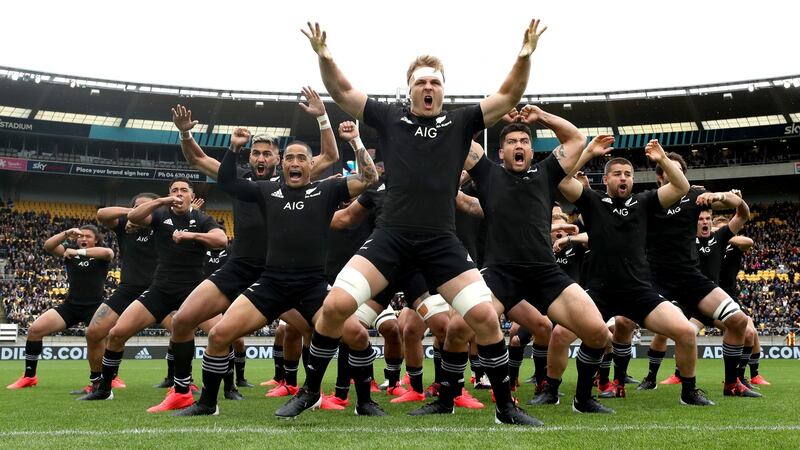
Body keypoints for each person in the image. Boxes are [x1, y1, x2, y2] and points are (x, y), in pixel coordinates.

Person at [277, 19, 547, 426]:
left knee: (486, 319)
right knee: (332, 309)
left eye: (435, 83)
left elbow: (510, 93)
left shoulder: (461, 123)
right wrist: (326, 56)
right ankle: (312, 392)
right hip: (391, 238)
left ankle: (506, 408)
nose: (429, 88)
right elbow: (342, 92)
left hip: (441, 241)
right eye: (422, 82)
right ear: (410, 88)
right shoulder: (390, 118)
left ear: (443, 89)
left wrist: (523, 56)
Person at [148, 87, 340, 412]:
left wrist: (323, 117)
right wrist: (184, 132)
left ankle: (310, 391)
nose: (261, 158)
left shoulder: (297, 176)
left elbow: (331, 157)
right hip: (239, 265)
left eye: (268, 154)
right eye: (256, 153)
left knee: (313, 329)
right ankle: (182, 390)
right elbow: (195, 157)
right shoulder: (237, 179)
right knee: (183, 320)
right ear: (249, 156)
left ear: (280, 159)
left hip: (277, 270)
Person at [175, 120, 379, 417]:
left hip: (312, 287)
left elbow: (369, 177)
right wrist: (233, 148)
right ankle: (207, 403)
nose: (295, 163)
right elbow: (228, 182)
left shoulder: (328, 189)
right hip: (270, 283)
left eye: (301, 158)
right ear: (282, 165)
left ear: (312, 164)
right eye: (289, 159)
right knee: (219, 336)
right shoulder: (265, 190)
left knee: (358, 336)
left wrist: (356, 141)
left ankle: (364, 403)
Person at [454, 107, 615, 413]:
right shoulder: (487, 173)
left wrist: (540, 116)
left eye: (524, 142)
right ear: (502, 152)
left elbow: (576, 138)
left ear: (530, 149)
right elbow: (458, 137)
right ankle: (451, 394)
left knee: (598, 333)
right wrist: (497, 113)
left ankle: (583, 398)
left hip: (545, 273)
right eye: (512, 142)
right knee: (459, 327)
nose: (518, 146)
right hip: (500, 273)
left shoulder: (546, 173)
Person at [557, 138, 714, 407]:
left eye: (628, 174)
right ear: (605, 179)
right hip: (600, 290)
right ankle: (554, 389)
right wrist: (588, 154)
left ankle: (689, 391)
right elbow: (561, 181)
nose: (623, 178)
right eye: (617, 174)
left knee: (686, 333)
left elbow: (681, 186)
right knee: (560, 334)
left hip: (639, 291)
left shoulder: (645, 202)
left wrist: (662, 159)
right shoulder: (593, 200)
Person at [79, 178, 227, 402]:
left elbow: (221, 240)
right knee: (117, 334)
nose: (178, 193)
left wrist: (191, 235)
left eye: (183, 190)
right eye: (174, 190)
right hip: (160, 288)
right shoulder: (160, 216)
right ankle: (104, 389)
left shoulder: (201, 218)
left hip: (193, 290)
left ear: (191, 195)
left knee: (219, 334)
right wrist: (163, 202)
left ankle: (205, 388)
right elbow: (133, 217)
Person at [645, 152, 759, 398]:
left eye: (677, 170)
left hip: (689, 277)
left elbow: (734, 202)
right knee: (622, 323)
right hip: (654, 278)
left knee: (739, 321)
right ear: (659, 178)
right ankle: (615, 382)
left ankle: (732, 384)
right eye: (666, 169)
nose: (673, 175)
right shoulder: (647, 202)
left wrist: (718, 195)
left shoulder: (695, 198)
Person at [70, 193, 160, 395]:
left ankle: (181, 382)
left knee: (181, 330)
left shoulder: (163, 225)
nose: (141, 209)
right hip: (128, 289)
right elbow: (102, 214)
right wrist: (134, 214)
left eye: (148, 207)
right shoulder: (124, 226)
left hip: (159, 289)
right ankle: (97, 383)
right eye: (137, 206)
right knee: (93, 333)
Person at [8, 226, 114, 390]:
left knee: (100, 340)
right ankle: (29, 377)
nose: (83, 239)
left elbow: (108, 253)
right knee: (35, 330)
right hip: (70, 306)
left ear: (96, 240)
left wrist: (78, 252)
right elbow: (48, 246)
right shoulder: (68, 252)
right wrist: (66, 234)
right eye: (80, 237)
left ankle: (107, 379)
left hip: (95, 306)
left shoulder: (99, 254)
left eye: (88, 236)